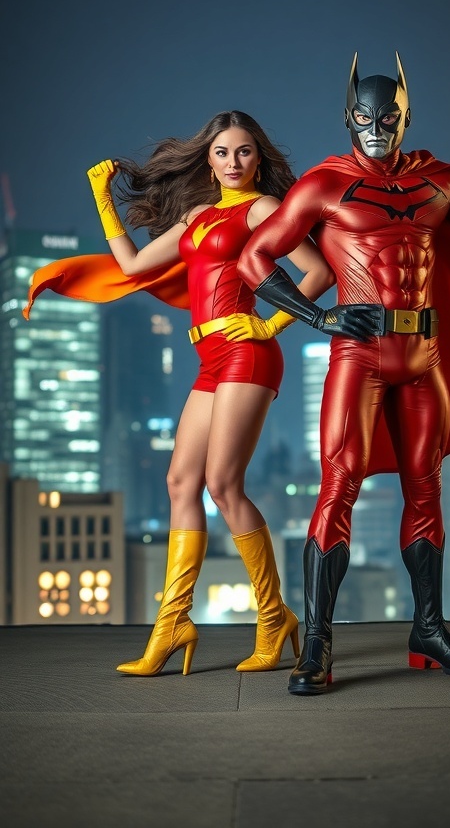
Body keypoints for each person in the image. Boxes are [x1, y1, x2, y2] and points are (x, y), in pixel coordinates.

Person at [238, 53, 450, 695]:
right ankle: (317, 644)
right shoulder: (323, 185)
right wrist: (316, 316)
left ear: (404, 118)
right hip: (358, 358)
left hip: (424, 360)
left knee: (428, 488)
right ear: (348, 118)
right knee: (338, 485)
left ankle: (428, 632)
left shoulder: (439, 182)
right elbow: (255, 258)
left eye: (387, 115)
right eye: (365, 116)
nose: (376, 125)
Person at [24, 110, 334, 677]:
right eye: (221, 152)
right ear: (208, 159)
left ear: (258, 158)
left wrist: (269, 325)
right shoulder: (197, 214)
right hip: (208, 359)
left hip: (246, 350)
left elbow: (316, 273)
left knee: (222, 483)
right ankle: (172, 624)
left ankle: (273, 618)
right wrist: (103, 198)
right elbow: (136, 264)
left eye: (243, 152)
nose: (233, 162)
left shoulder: (264, 209)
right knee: (179, 482)